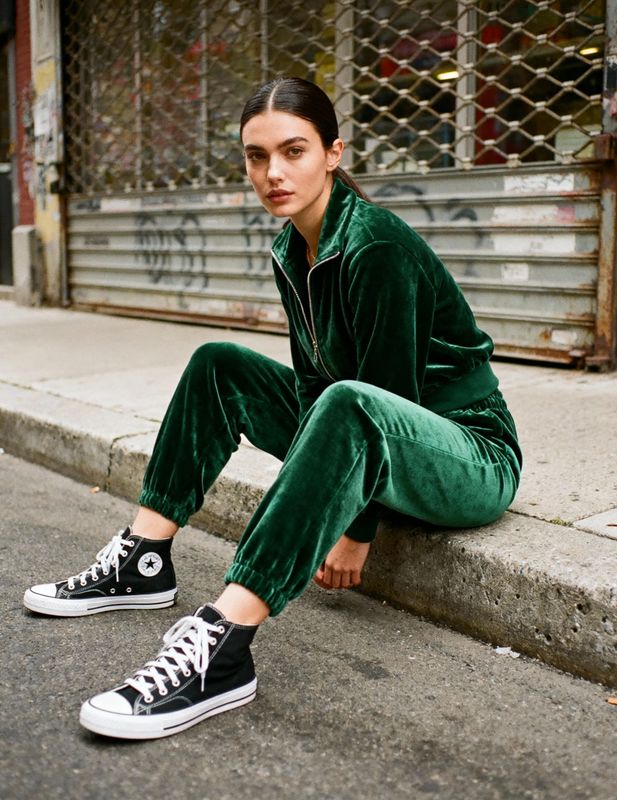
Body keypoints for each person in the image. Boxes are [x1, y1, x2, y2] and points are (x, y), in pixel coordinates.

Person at [23, 77, 521, 740]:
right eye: (257, 157)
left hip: (466, 453)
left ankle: (224, 643)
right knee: (219, 364)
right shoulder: (294, 244)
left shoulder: (377, 247)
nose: (274, 173)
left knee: (350, 403)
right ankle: (143, 558)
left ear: (333, 153)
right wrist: (320, 495)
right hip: (374, 436)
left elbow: (382, 401)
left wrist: (355, 530)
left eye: (293, 151)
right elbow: (317, 389)